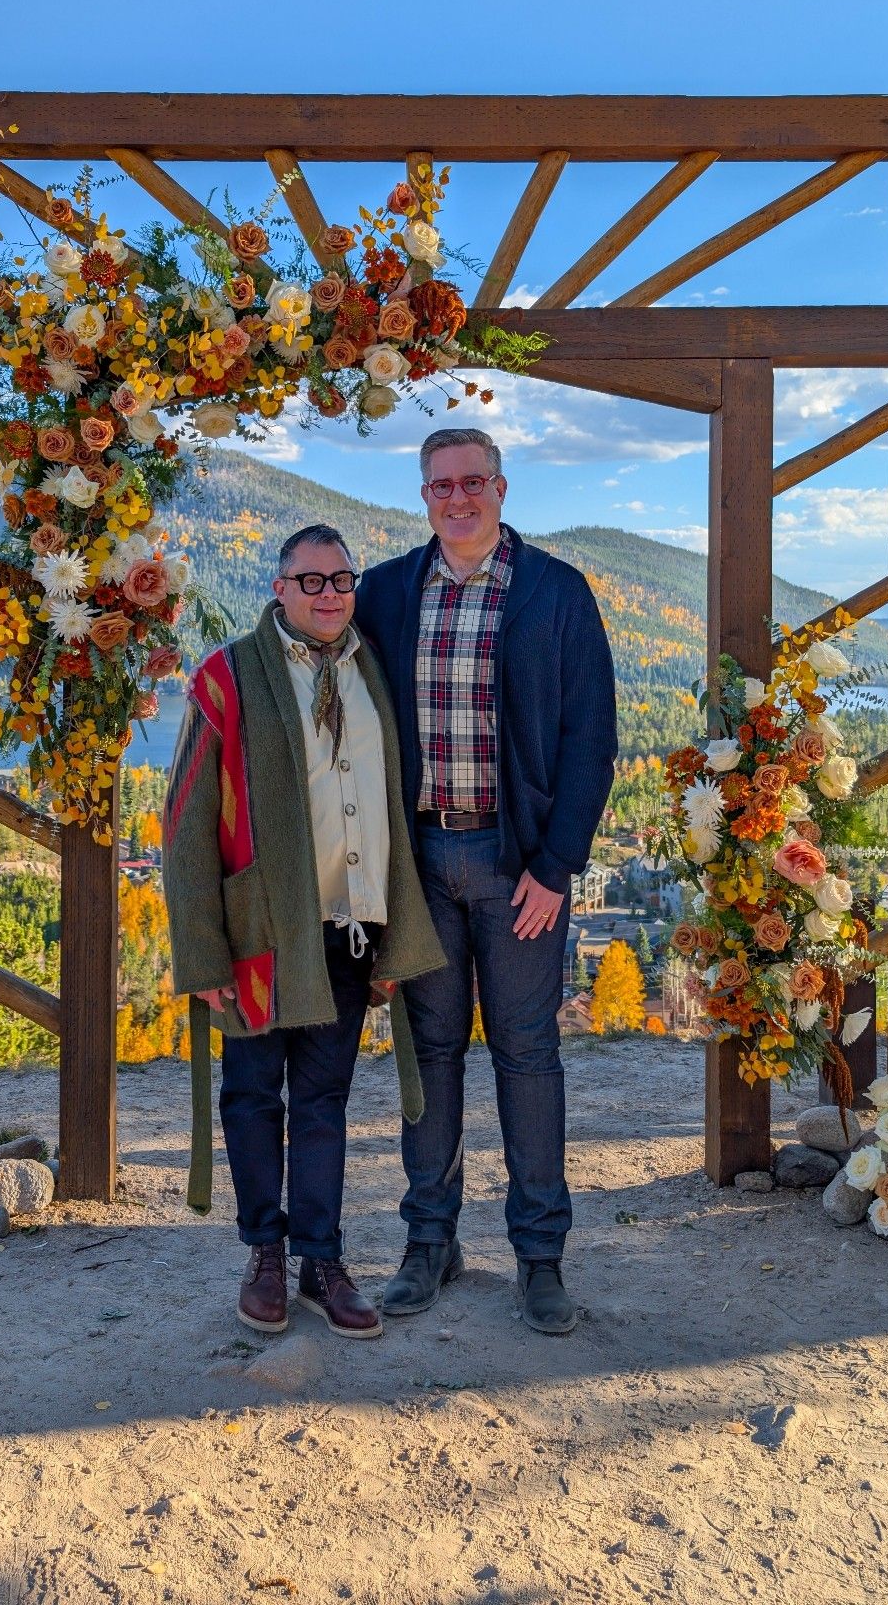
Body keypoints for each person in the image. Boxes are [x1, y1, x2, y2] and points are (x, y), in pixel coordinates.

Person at [356, 428, 617, 1334]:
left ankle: (540, 1258)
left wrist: (557, 867)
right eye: (441, 486)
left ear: (501, 489)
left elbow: (592, 740)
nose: (457, 499)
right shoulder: (388, 592)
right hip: (420, 863)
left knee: (527, 1056)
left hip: (519, 872)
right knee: (427, 1059)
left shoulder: (556, 592)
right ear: (421, 496)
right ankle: (430, 1243)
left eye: (473, 482)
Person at [163, 524, 445, 1339]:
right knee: (254, 1094)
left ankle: (322, 1258)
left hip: (349, 928)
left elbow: (387, 806)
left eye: (341, 580)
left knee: (324, 1100)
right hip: (260, 932)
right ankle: (265, 1254)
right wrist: (203, 951)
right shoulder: (228, 676)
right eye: (310, 581)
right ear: (278, 589)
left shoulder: (370, 671)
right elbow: (184, 821)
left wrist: (395, 930)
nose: (329, 594)